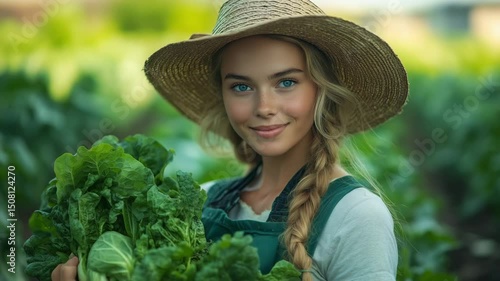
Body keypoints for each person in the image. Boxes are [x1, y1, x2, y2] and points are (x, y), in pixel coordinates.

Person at [52, 0, 408, 280]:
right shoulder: (202, 201)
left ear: (322, 90)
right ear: (223, 96)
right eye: (241, 86)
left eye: (286, 82)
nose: (264, 107)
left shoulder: (357, 216)